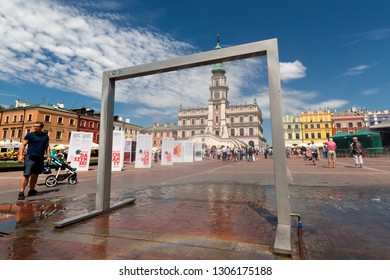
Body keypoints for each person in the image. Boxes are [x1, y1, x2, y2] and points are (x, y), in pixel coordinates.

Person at [17, 121, 51, 200]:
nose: (35, 127)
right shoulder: (30, 135)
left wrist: (49, 156)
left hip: (39, 158)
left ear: (42, 127)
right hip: (30, 157)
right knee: (26, 174)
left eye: (37, 126)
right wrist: (20, 155)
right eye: (34, 126)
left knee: (35, 174)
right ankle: (21, 192)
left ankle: (31, 190)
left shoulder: (45, 136)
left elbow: (47, 146)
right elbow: (23, 145)